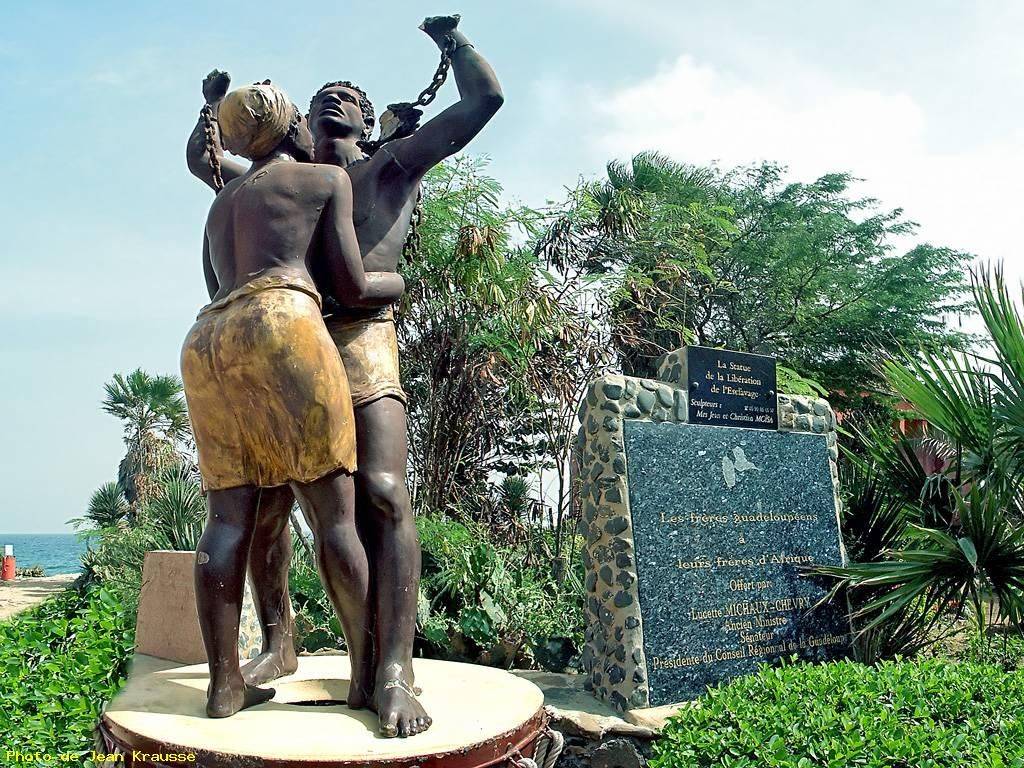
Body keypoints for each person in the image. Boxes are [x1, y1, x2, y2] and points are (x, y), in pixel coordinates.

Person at [185, 14, 503, 738]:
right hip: (291, 343)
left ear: (370, 119)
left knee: (383, 495)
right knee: (262, 507)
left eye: (350, 96)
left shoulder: (385, 167)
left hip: (357, 344)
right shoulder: (290, 181)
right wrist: (213, 110)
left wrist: (452, 44)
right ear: (295, 124)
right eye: (323, 93)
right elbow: (210, 167)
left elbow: (483, 102)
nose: (336, 99)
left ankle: (390, 671)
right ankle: (278, 643)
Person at [181, 82, 404, 719]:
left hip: (208, 338)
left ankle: (225, 687)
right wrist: (399, 281)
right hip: (283, 324)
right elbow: (352, 285)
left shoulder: (221, 205)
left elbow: (214, 279)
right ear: (287, 130)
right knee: (333, 517)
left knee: (227, 521)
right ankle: (367, 679)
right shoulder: (321, 181)